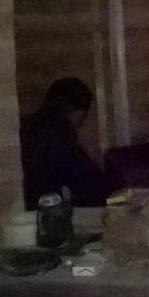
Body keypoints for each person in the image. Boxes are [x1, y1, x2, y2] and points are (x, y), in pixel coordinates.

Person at [19, 78, 115, 210]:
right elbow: (87, 181)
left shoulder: (26, 126)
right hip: (46, 212)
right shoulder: (60, 136)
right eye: (83, 117)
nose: (81, 124)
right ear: (78, 113)